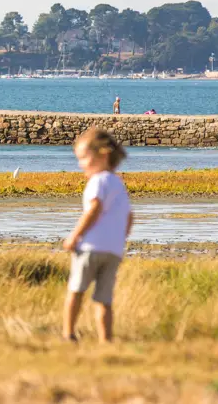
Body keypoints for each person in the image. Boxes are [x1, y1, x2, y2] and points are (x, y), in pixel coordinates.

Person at [61, 128, 133, 343]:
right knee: (104, 299)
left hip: (91, 247)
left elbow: (94, 209)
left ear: (102, 155)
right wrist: (120, 239)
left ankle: (68, 334)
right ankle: (105, 340)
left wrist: (75, 235)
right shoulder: (118, 183)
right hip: (113, 250)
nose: (81, 164)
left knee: (76, 290)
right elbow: (129, 217)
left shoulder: (98, 181)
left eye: (84, 158)